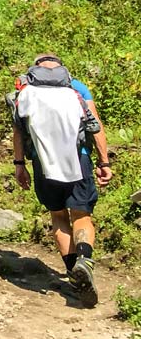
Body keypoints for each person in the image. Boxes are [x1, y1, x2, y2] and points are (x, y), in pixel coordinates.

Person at [10, 54, 112, 307]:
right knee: (81, 215)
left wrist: (19, 165)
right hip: (78, 158)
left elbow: (18, 131)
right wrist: (104, 162)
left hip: (42, 163)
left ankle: (74, 274)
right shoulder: (75, 87)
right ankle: (84, 260)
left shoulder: (26, 90)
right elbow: (94, 125)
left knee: (58, 217)